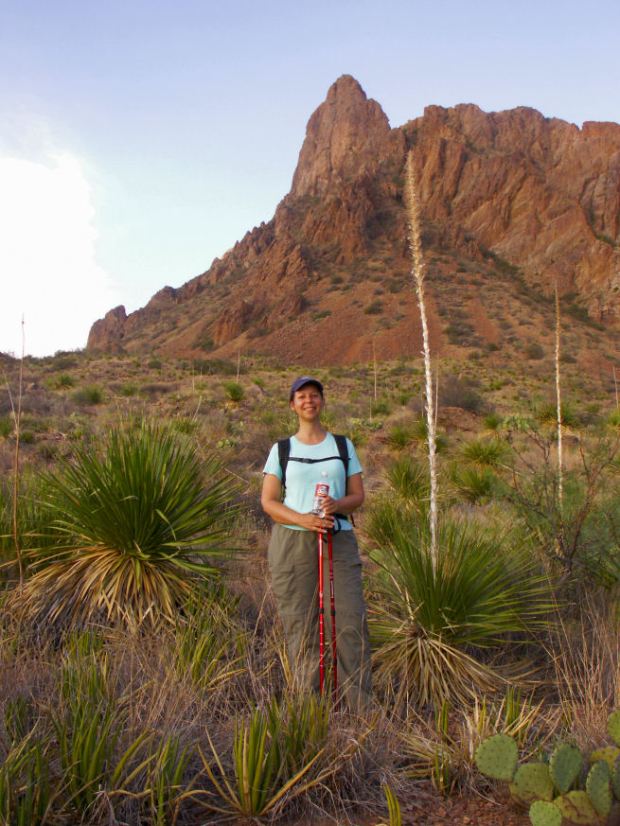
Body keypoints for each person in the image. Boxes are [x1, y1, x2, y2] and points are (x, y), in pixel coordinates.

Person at [261, 376, 371, 708]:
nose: (309, 401)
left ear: (322, 401)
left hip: (338, 537)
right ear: (292, 405)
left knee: (350, 619)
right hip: (293, 541)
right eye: (301, 396)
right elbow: (269, 501)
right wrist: (303, 519)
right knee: (301, 620)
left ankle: (359, 705)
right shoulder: (282, 450)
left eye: (314, 395)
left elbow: (358, 496)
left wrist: (337, 505)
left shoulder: (342, 446)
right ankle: (310, 705)